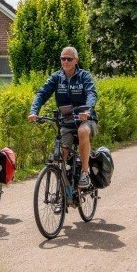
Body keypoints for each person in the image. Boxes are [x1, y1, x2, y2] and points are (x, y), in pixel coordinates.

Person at [27, 47, 98, 189]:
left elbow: (91, 93)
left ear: (76, 60)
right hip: (66, 121)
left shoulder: (84, 76)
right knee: (60, 154)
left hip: (85, 119)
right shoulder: (56, 77)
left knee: (83, 132)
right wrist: (34, 111)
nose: (65, 61)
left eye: (69, 59)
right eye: (63, 58)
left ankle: (84, 172)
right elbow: (41, 94)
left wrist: (87, 110)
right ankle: (63, 192)